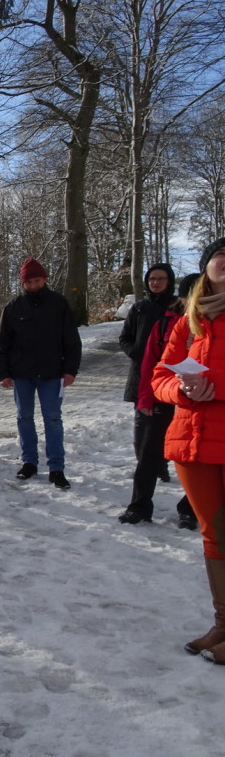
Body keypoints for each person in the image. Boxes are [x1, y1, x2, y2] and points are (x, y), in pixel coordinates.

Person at [151, 237, 225, 664]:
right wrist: (179, 388)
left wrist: (216, 386)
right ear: (205, 268)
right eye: (219, 255)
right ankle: (223, 623)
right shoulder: (189, 320)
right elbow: (160, 373)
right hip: (190, 442)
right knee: (214, 534)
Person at [119, 273, 198, 527]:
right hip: (163, 398)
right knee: (149, 455)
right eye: (189, 295)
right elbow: (150, 365)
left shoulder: (213, 324)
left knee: (194, 460)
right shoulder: (165, 323)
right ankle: (139, 506)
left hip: (200, 404)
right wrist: (145, 399)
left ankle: (190, 509)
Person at [0, 257, 81, 489]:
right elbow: (3, 342)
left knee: (53, 419)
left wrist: (70, 370)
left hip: (52, 373)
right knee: (24, 417)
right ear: (23, 283)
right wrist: (2, 372)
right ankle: (29, 462)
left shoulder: (58, 303)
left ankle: (56, 467)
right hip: (21, 373)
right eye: (29, 282)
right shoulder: (13, 307)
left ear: (44, 279)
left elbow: (71, 339)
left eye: (37, 280)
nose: (33, 285)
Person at [119, 263, 176, 478]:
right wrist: (135, 353)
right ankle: (144, 465)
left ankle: (161, 464)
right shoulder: (139, 307)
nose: (156, 282)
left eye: (160, 278)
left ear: (168, 281)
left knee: (165, 423)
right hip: (141, 374)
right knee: (142, 422)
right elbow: (125, 338)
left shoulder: (177, 306)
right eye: (152, 278)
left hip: (170, 374)